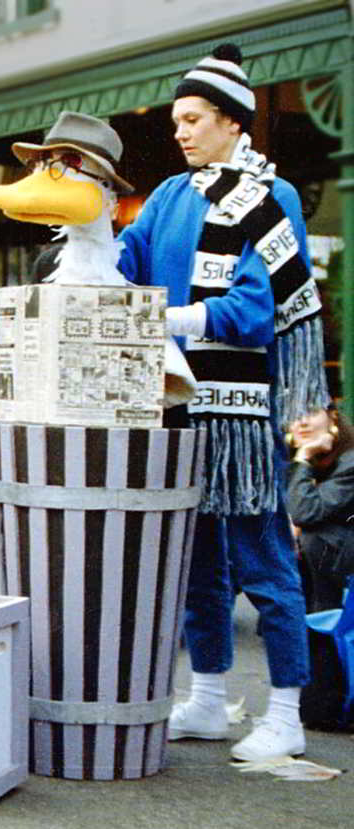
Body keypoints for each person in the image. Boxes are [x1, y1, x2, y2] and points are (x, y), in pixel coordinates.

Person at [118, 44, 327, 761]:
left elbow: (255, 308)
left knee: (264, 560)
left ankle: (289, 711)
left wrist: (167, 318)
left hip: (239, 414)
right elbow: (126, 262)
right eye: (177, 119)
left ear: (233, 122)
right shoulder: (170, 197)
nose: (180, 131)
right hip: (177, 406)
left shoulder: (274, 198)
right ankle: (209, 699)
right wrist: (81, 243)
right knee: (196, 562)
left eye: (194, 118)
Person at [286, 407, 354, 613]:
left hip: (343, 548)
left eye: (311, 413)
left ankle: (325, 615)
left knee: (316, 536)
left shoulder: (350, 462)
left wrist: (304, 456)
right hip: (334, 547)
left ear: (332, 417)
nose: (302, 422)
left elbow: (306, 512)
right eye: (294, 416)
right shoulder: (289, 456)